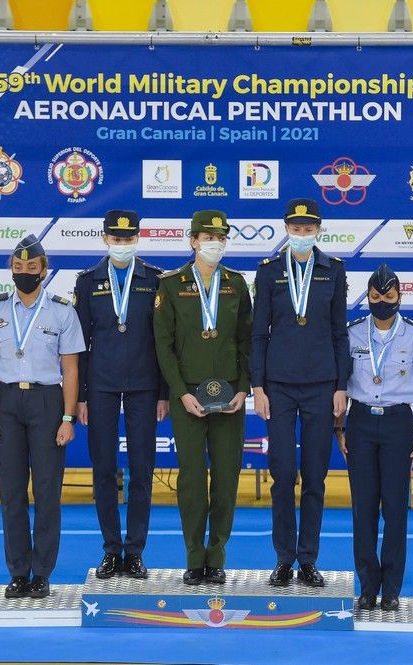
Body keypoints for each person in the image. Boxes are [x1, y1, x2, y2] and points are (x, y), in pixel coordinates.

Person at [0, 234, 84, 599]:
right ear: (11, 269)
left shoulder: (62, 310)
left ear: (44, 269)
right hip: (6, 403)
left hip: (46, 402)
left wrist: (68, 418)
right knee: (11, 493)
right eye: (18, 267)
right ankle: (18, 572)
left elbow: (71, 369)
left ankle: (42, 572)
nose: (24, 272)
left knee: (46, 492)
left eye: (32, 267)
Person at [251, 198, 348, 588]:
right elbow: (258, 334)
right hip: (278, 388)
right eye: (297, 228)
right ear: (286, 229)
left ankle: (308, 560)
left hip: (322, 388)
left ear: (318, 230)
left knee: (315, 477)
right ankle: (283, 559)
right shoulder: (269, 272)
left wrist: (341, 386)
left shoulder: (333, 271)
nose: (303, 235)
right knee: (282, 475)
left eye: (309, 229)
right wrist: (257, 386)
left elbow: (340, 333)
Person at [153, 210, 252, 585]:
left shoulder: (237, 284)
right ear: (193, 240)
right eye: (207, 237)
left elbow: (247, 340)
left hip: (230, 399)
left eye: (220, 237)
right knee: (192, 480)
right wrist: (179, 393)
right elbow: (163, 345)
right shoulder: (172, 284)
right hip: (189, 398)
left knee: (226, 479)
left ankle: (217, 556)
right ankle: (194, 557)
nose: (215, 244)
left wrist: (243, 386)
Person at [336, 265, 413, 611]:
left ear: (399, 298)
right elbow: (340, 385)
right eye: (376, 297)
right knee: (363, 509)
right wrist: (340, 428)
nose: (383, 302)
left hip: (398, 425)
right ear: (368, 297)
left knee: (395, 510)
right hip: (361, 422)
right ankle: (367, 586)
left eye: (389, 296)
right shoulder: (352, 334)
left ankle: (391, 589)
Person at [74, 211, 168, 580]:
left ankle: (136, 550)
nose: (123, 244)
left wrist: (163, 392)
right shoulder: (87, 282)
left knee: (143, 469)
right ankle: (112, 549)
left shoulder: (155, 279)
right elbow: (79, 344)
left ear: (138, 239)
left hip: (145, 385)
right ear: (105, 238)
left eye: (129, 239)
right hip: (100, 385)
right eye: (117, 238)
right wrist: (80, 396)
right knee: (104, 469)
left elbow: (162, 341)